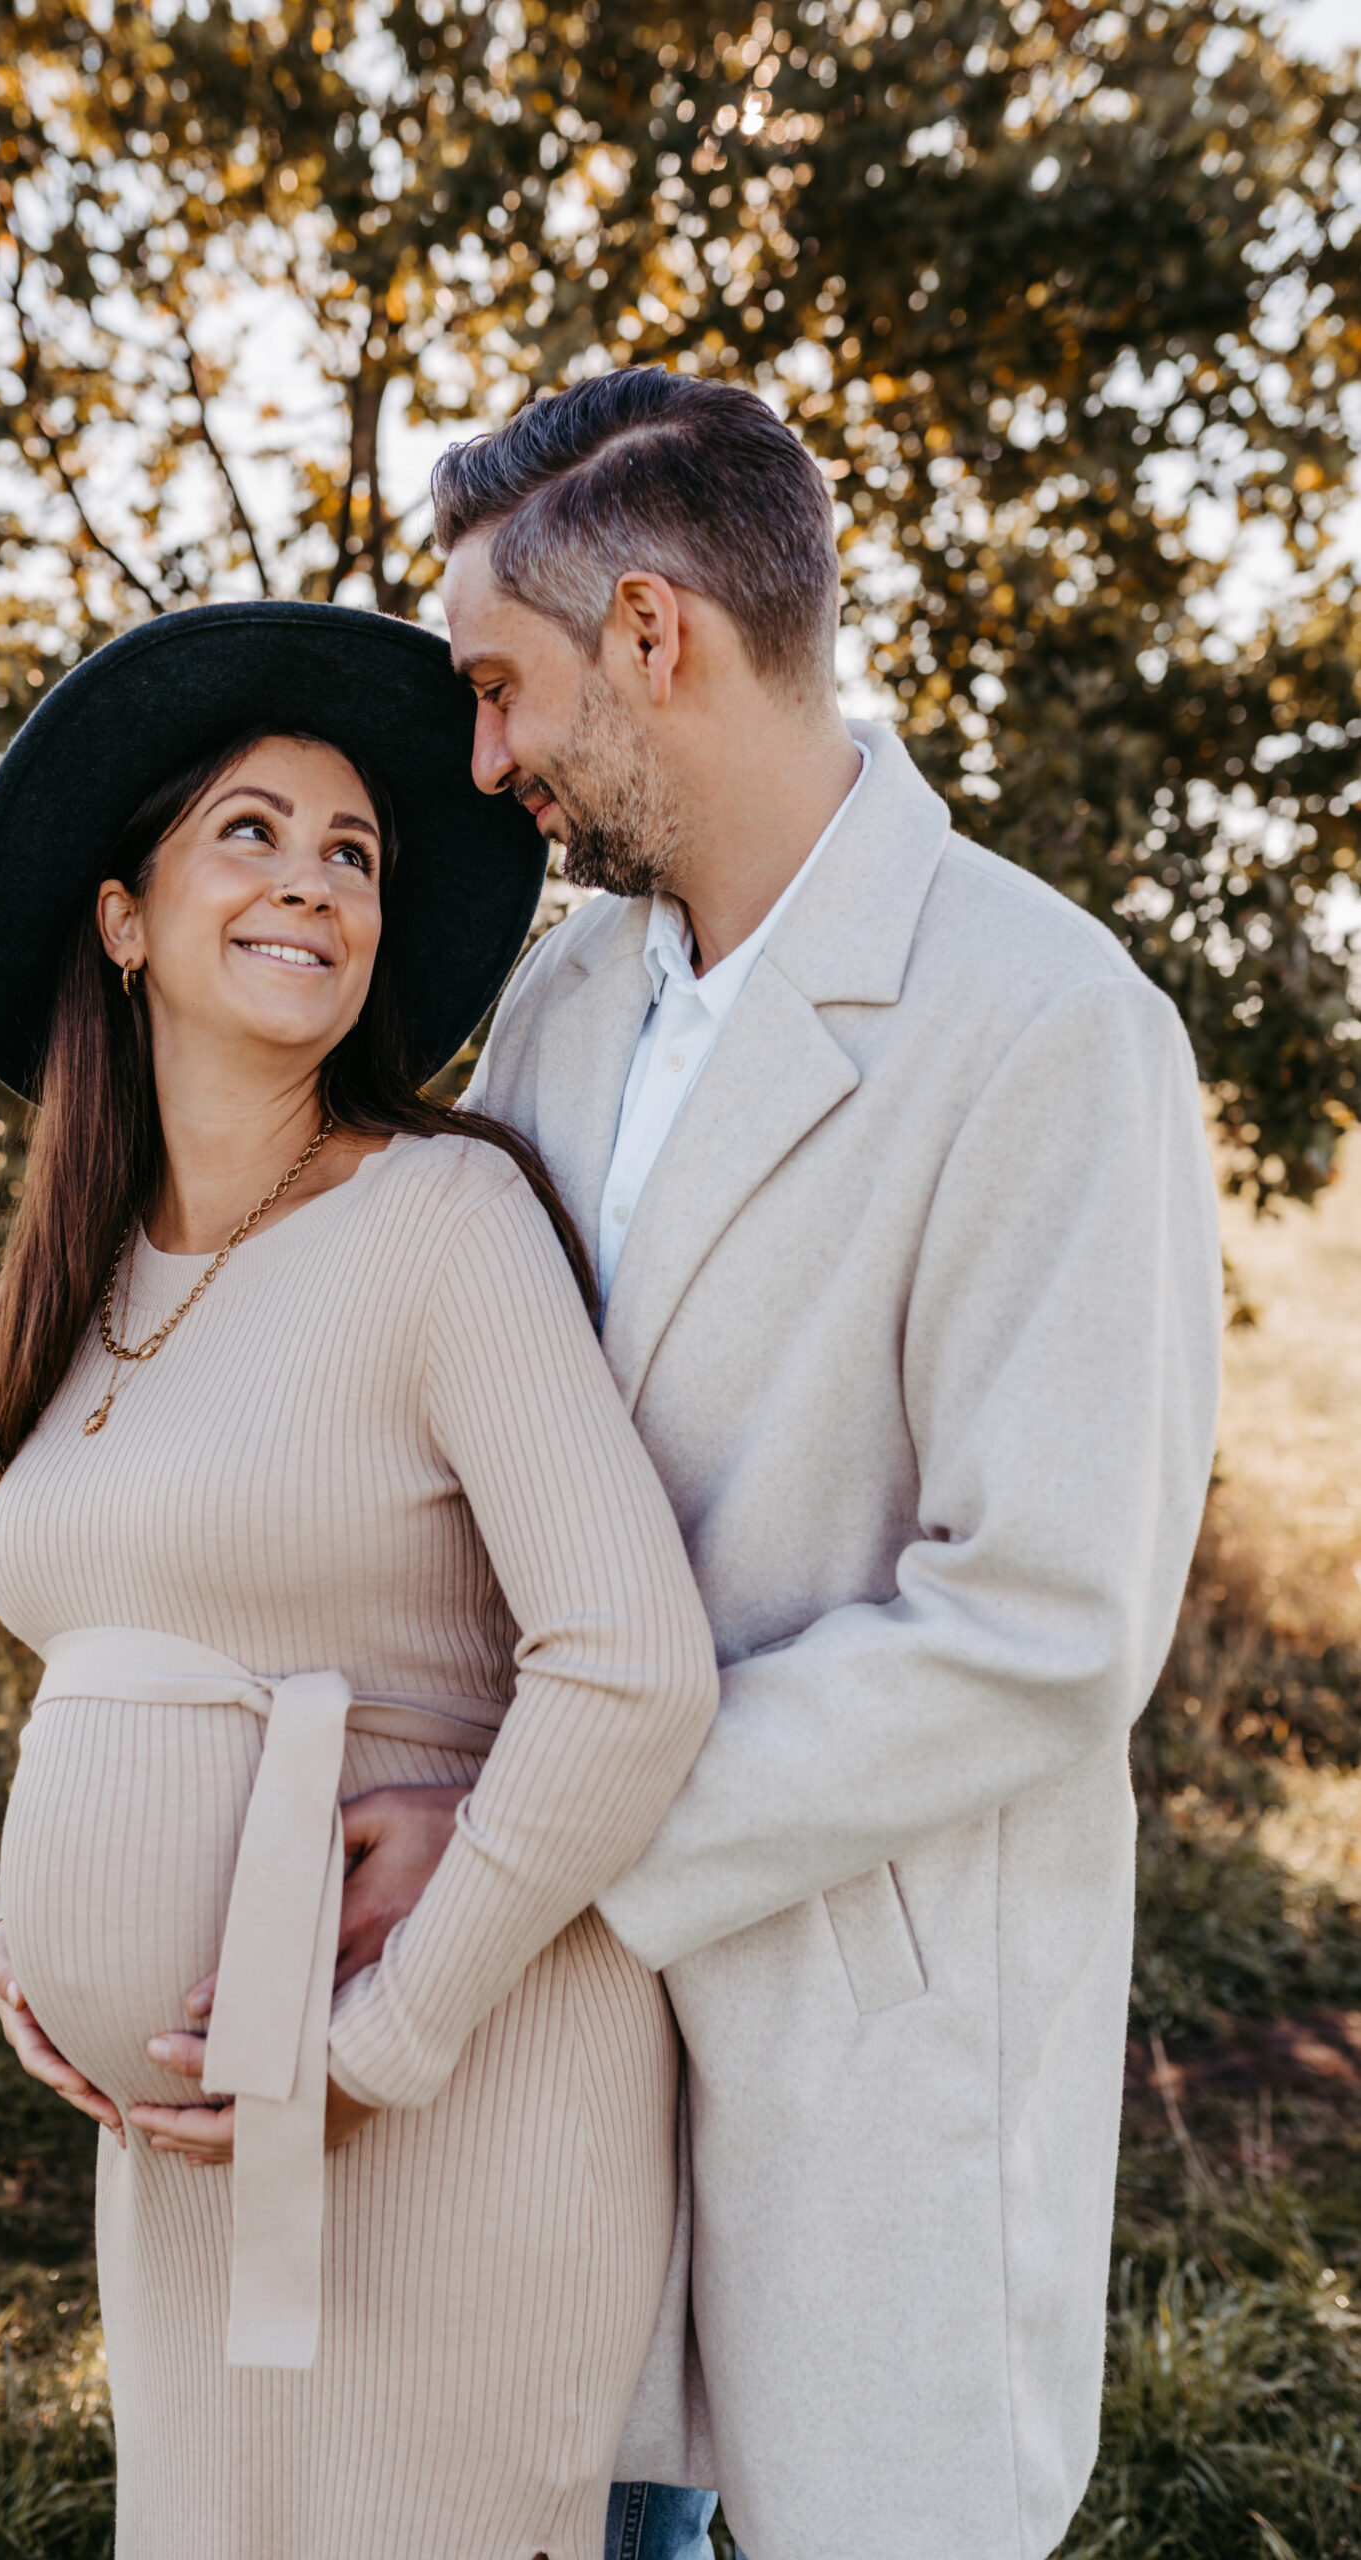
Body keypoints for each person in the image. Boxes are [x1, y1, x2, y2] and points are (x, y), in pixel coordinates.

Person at [317, 371, 1225, 2560]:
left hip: (864, 2034)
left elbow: (1038, 1625)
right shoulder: (558, 1007)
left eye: (498, 687)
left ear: (649, 638)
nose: (481, 758)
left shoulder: (1042, 1019)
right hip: (560, 2070)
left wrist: (549, 1828)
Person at [0, 599, 719, 2560]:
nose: (313, 881)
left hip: (444, 2096)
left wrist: (377, 2047)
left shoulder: (436, 1217)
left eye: (352, 851)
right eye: (253, 832)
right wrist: (26, 1935)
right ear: (121, 915)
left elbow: (629, 1671)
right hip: (194, 2149)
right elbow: (121, 1652)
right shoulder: (95, 1276)